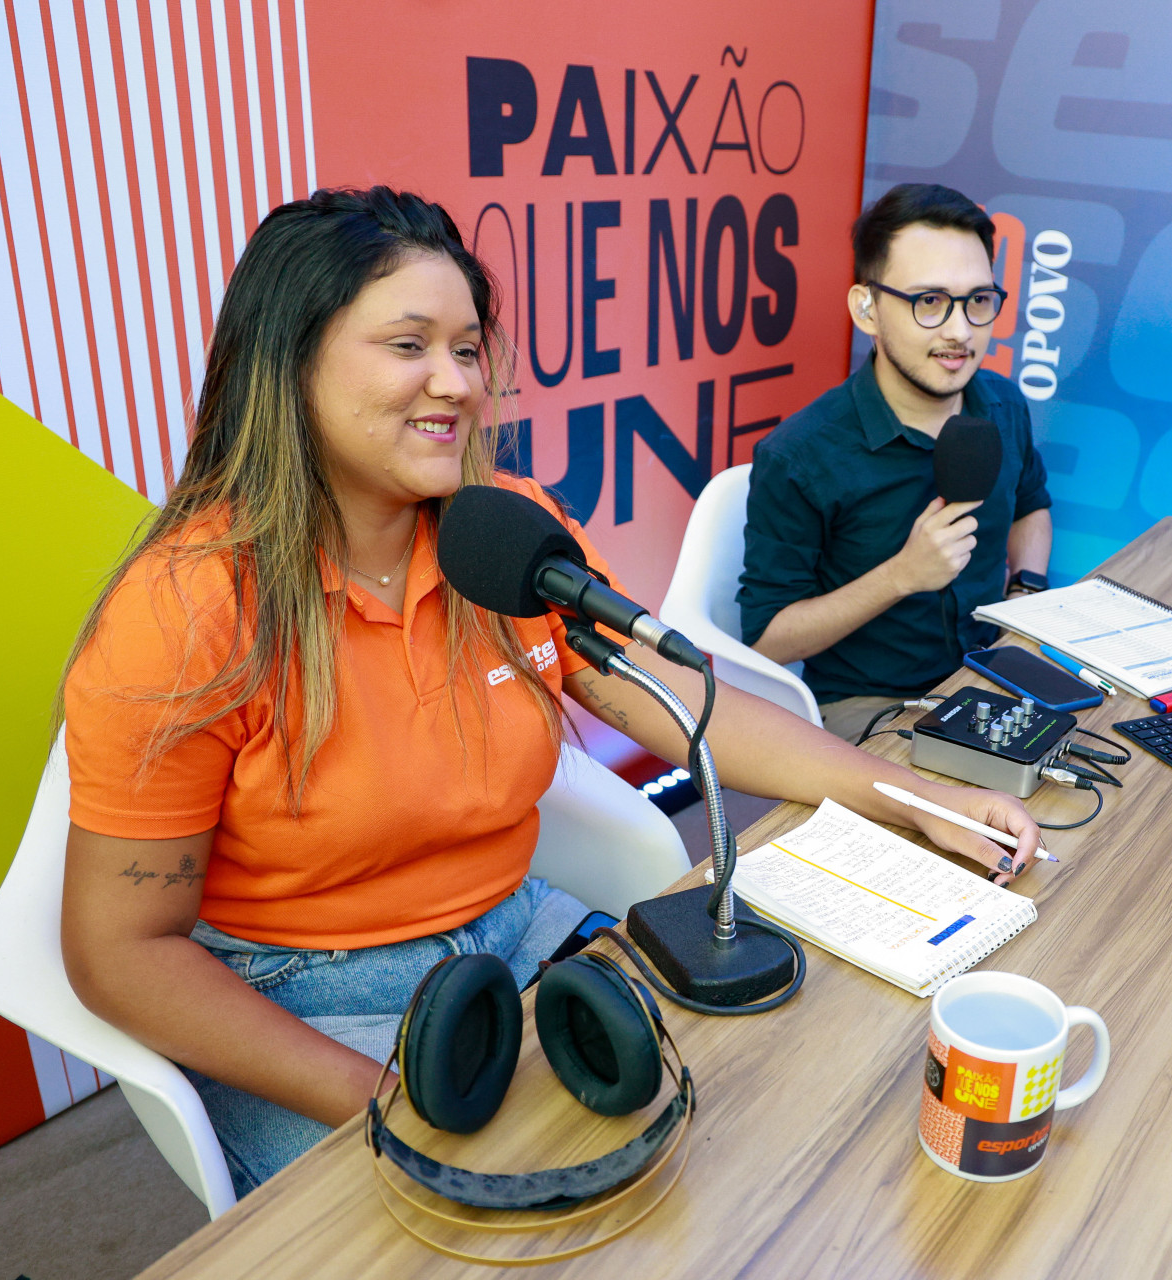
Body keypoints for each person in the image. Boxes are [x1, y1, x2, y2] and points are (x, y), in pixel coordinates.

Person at [57, 188, 1042, 1199]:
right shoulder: (186, 607)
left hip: (513, 924)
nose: (455, 382)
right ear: (291, 358)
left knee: (735, 1121)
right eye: (409, 345)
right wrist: (385, 1092)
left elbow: (686, 704)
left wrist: (916, 800)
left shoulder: (508, 532)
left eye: (470, 348)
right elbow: (118, 949)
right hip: (303, 990)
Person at [739, 184, 1053, 741]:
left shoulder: (1003, 406)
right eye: (928, 302)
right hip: (872, 704)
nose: (959, 331)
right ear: (867, 308)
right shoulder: (800, 455)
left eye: (978, 300)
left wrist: (1025, 597)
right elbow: (768, 638)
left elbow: (1031, 505)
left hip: (992, 675)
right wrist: (901, 577)